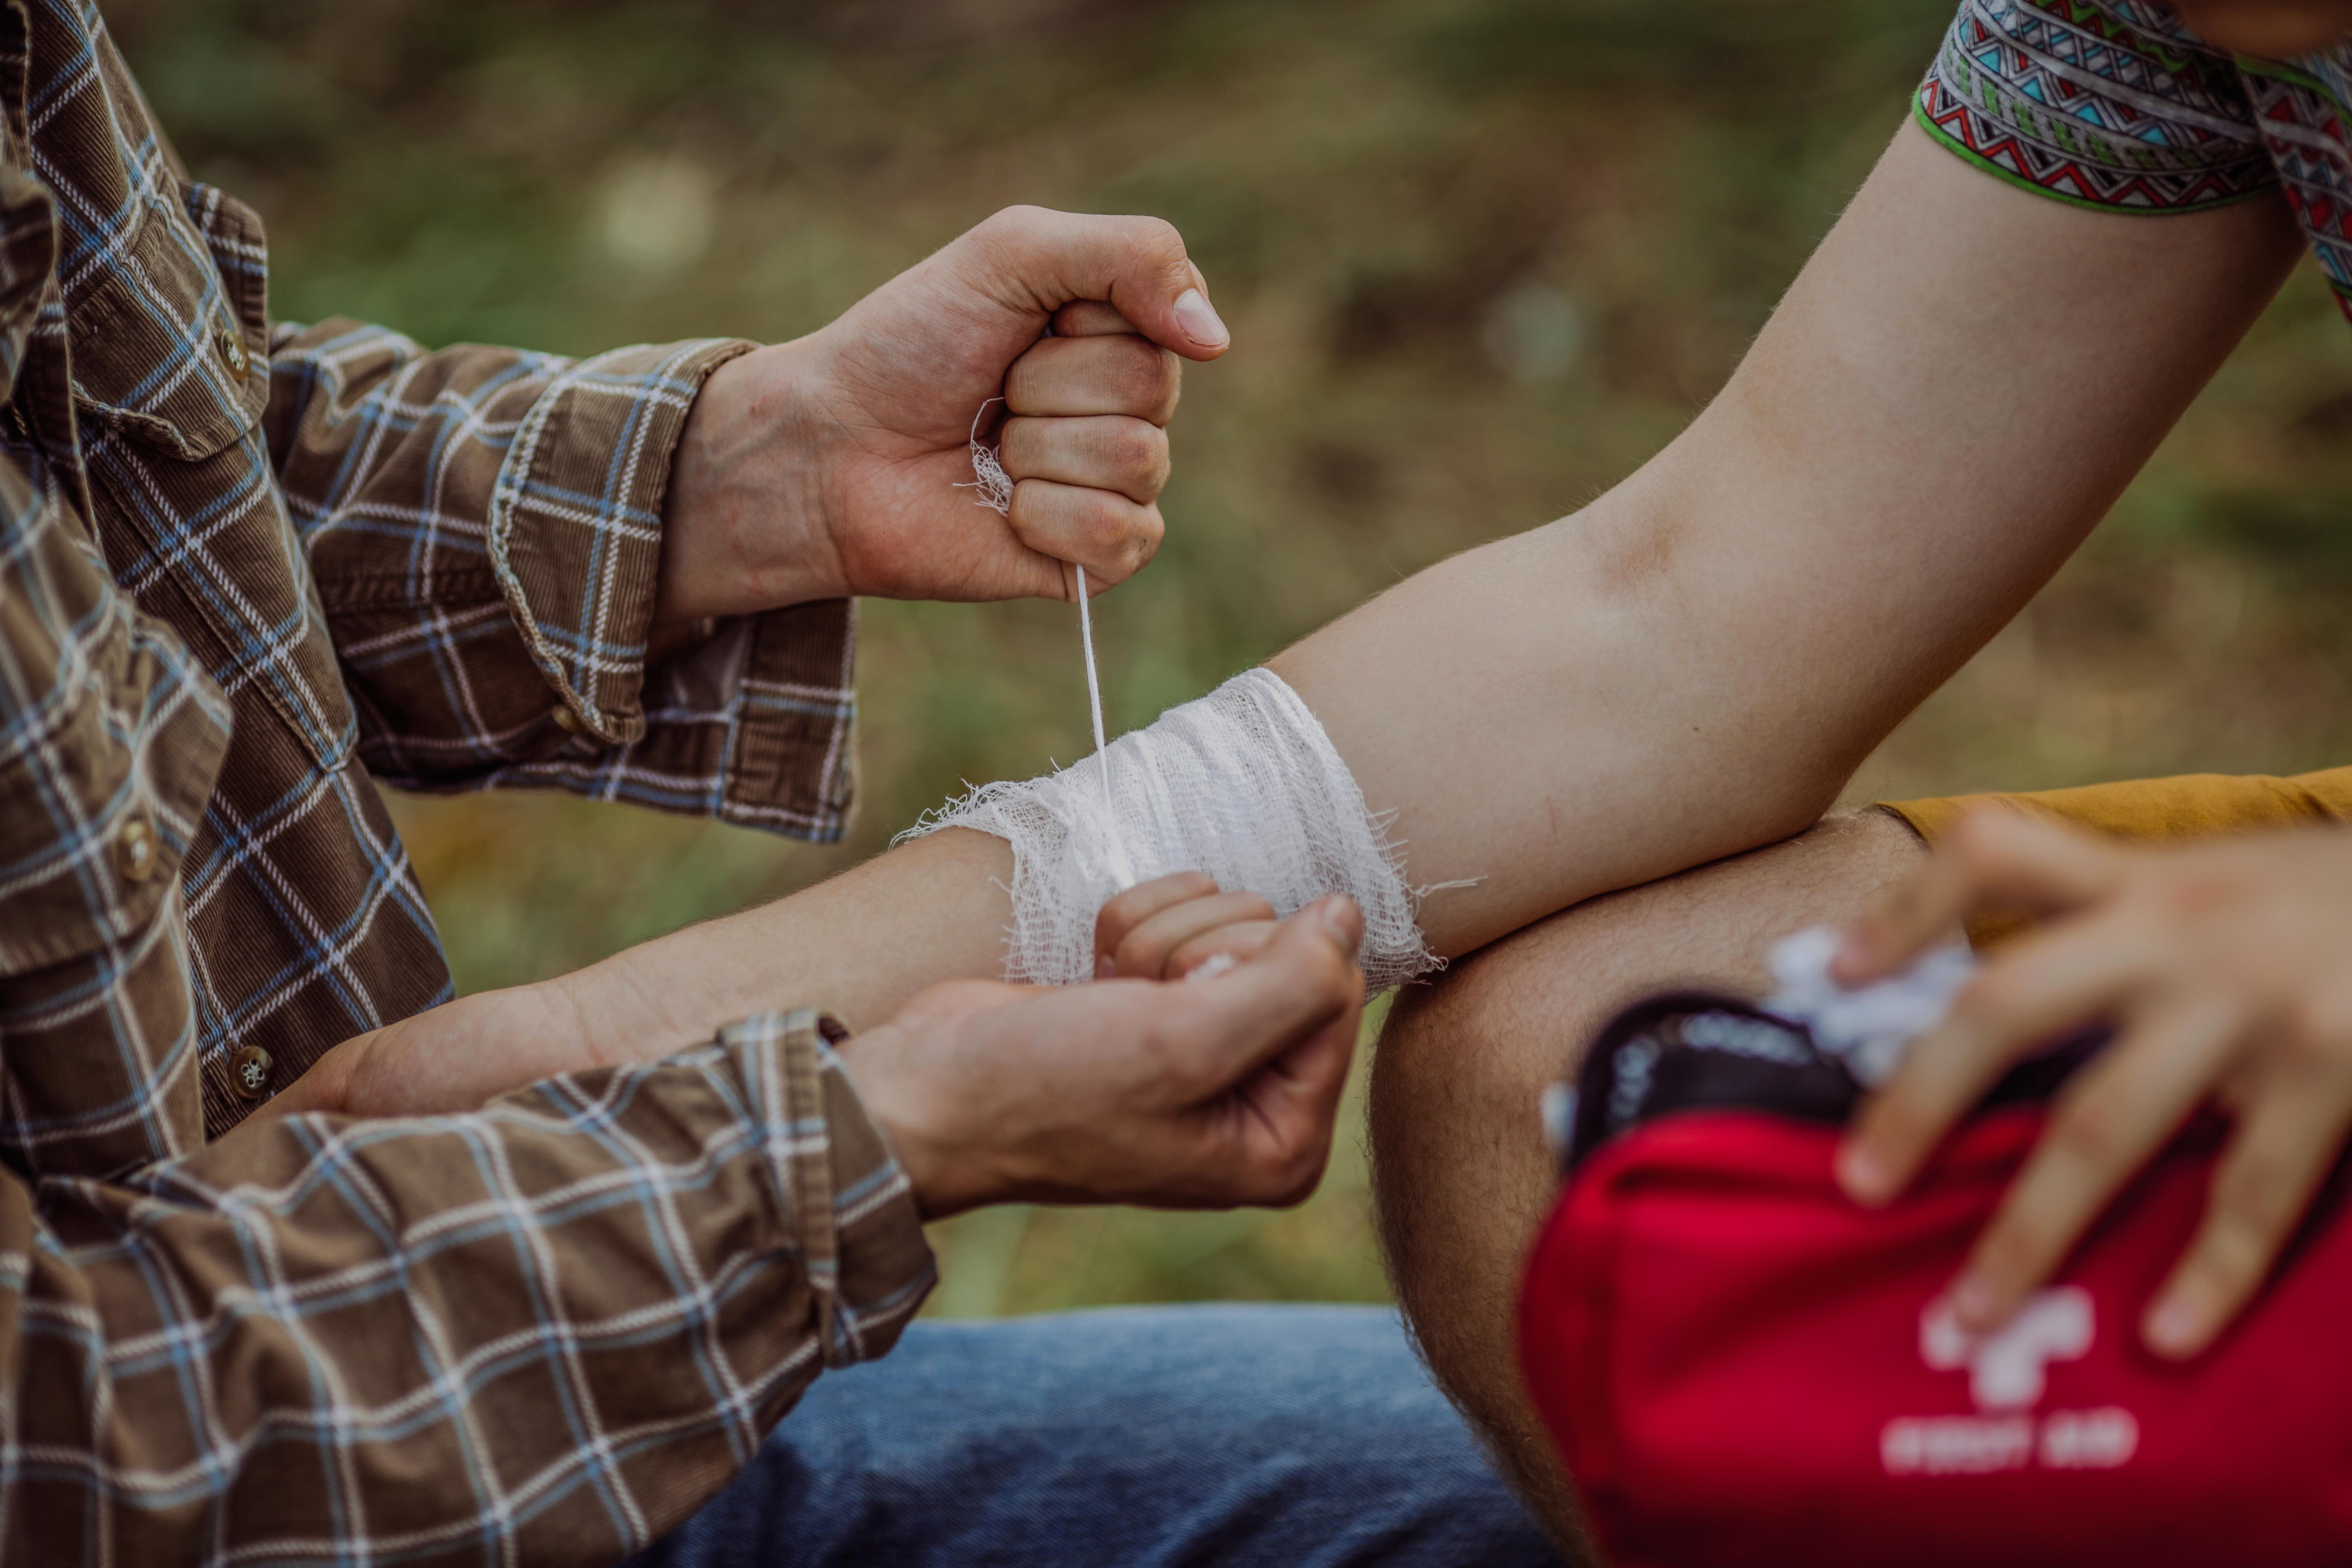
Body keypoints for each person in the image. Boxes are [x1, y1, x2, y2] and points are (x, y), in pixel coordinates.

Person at [0, 2, 1562, 1562]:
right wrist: (865, 1138)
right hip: (304, 1431)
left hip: (487, 1327)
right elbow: (53, 1450)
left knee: (1515, 1469)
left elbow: (125, 480)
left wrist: (763, 468)